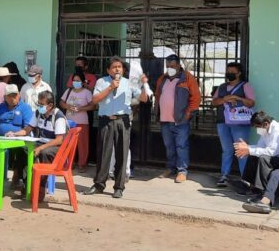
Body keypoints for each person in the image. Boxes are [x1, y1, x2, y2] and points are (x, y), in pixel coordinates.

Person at [84, 57, 149, 199]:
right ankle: (99, 184)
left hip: (122, 121)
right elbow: (95, 100)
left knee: (122, 154)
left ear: (123, 70)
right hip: (106, 121)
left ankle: (119, 187)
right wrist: (110, 87)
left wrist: (144, 85)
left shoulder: (129, 83)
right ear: (108, 70)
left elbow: (143, 99)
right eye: (114, 67)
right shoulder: (102, 82)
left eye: (119, 67)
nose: (117, 69)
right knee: (103, 153)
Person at [154, 54, 201, 183]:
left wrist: (188, 114)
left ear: (179, 65)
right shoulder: (162, 79)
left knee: (181, 146)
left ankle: (182, 171)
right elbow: (157, 95)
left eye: (173, 66)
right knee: (169, 146)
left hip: (181, 120)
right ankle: (170, 168)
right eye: (168, 66)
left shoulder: (187, 78)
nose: (170, 68)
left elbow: (196, 97)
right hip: (165, 120)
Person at [211, 62, 256, 187]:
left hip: (240, 123)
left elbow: (251, 103)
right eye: (228, 71)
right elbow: (214, 102)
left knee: (241, 150)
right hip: (223, 122)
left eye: (232, 72)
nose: (229, 74)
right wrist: (224, 99)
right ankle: (224, 175)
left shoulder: (245, 86)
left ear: (239, 73)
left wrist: (238, 98)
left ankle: (245, 178)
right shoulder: (222, 87)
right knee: (227, 150)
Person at [233, 111, 279, 199]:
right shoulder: (265, 129)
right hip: (273, 156)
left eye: (257, 127)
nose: (257, 129)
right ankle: (252, 188)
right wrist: (247, 147)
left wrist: (249, 150)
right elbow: (260, 146)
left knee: (263, 158)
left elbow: (272, 152)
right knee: (253, 155)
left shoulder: (278, 130)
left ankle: (262, 191)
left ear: (265, 124)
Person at [0, 84, 35, 191]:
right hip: (1, 138)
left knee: (22, 151)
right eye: (10, 96)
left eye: (15, 95)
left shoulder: (25, 107)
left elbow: (28, 129)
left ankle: (17, 179)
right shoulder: (0, 107)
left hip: (19, 138)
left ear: (19, 95)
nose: (12, 98)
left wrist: (15, 134)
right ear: (5, 97)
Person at [31, 90, 69, 201]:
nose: (39, 106)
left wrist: (41, 147)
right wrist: (16, 134)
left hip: (57, 148)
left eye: (41, 104)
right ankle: (25, 183)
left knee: (44, 153)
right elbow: (29, 127)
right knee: (24, 150)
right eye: (38, 104)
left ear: (50, 105)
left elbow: (59, 140)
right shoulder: (38, 113)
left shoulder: (58, 116)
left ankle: (41, 187)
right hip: (41, 143)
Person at [58, 72, 94, 172]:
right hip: (69, 122)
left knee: (82, 144)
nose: (75, 82)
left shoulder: (87, 92)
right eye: (74, 80)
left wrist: (81, 108)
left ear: (82, 82)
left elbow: (93, 106)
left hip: (82, 122)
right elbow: (61, 102)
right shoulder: (68, 91)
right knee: (69, 143)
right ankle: (70, 162)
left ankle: (82, 164)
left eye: (78, 81)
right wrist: (68, 106)